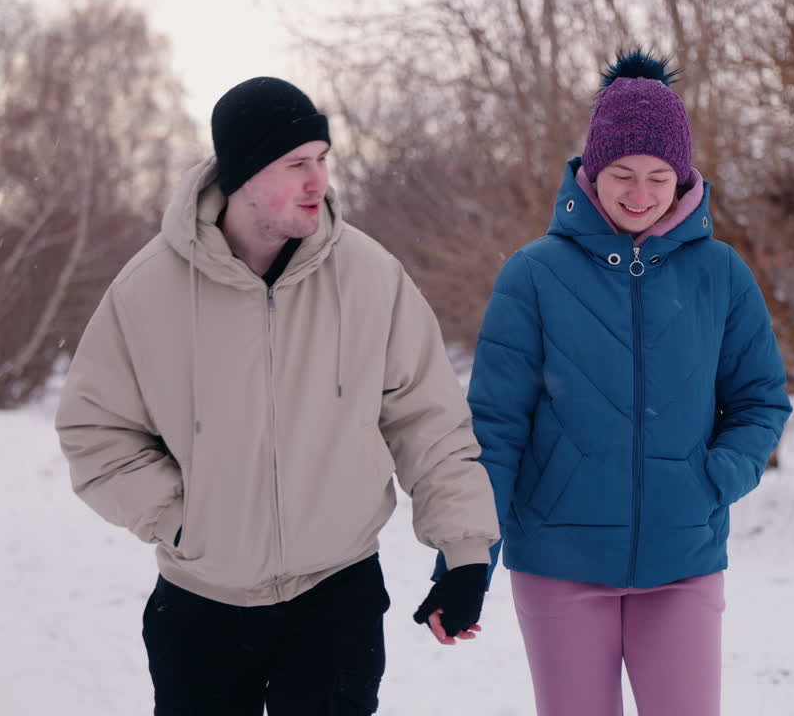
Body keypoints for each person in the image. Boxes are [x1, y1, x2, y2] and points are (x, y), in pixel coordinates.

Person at [55, 76, 498, 716]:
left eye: (321, 160)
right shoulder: (147, 292)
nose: (318, 180)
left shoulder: (369, 277)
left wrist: (463, 552)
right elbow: (94, 433)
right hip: (202, 605)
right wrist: (182, 519)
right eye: (296, 164)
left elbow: (428, 420)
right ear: (242, 176)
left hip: (336, 594)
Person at [465, 50, 793, 716]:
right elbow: (494, 429)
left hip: (683, 560)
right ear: (590, 171)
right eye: (622, 174)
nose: (640, 194)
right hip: (559, 561)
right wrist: (469, 559)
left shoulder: (721, 276)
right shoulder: (533, 276)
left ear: (683, 177)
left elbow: (760, 400)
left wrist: (713, 479)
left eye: (658, 176)